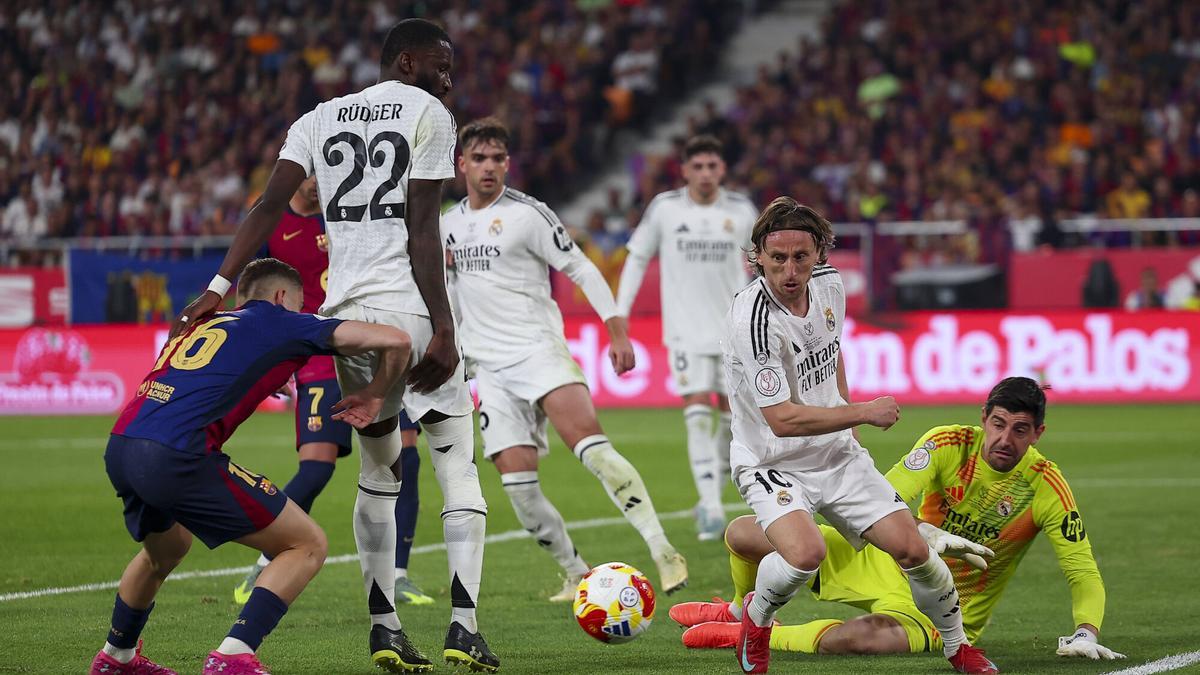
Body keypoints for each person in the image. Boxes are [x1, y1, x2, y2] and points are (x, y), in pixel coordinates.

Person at [173, 18, 498, 673]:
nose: (449, 78)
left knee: (378, 475)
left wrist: (216, 284)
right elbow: (423, 226)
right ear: (406, 61)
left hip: (348, 319)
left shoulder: (317, 117)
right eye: (442, 64)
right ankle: (463, 626)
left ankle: (385, 626)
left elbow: (265, 206)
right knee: (455, 460)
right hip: (408, 308)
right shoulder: (429, 112)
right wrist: (442, 324)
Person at [717, 197, 998, 674]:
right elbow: (782, 418)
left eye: (800, 257)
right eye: (777, 258)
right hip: (772, 460)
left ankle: (957, 647)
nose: (789, 269)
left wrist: (848, 421)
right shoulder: (754, 319)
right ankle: (757, 620)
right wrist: (862, 413)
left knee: (913, 549)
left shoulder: (830, 286)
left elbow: (831, 351)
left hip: (835, 453)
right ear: (758, 256)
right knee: (807, 554)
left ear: (819, 254)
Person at [91, 258, 412, 675]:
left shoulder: (212, 323)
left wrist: (268, 370)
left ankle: (117, 657)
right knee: (307, 544)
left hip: (123, 444)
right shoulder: (284, 321)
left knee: (166, 549)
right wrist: (374, 393)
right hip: (176, 455)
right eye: (298, 305)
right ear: (281, 298)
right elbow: (397, 341)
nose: (301, 314)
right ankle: (233, 653)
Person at [672, 377, 1126, 663]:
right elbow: (886, 496)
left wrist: (1086, 631)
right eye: (999, 423)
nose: (1004, 438)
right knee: (744, 533)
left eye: (1020, 430)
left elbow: (1081, 569)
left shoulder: (1046, 486)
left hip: (935, 612)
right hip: (883, 559)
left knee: (858, 642)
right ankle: (736, 606)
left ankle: (755, 632)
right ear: (984, 418)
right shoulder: (948, 444)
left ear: (1038, 433)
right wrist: (925, 531)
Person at [441, 117, 688, 601]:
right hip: (488, 370)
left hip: (538, 350)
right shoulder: (447, 225)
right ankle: (577, 571)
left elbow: (579, 266)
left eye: (497, 159)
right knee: (519, 489)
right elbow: (448, 290)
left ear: (507, 164)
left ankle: (662, 549)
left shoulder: (529, 215)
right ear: (462, 164)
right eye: (479, 159)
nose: (489, 167)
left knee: (595, 452)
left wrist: (617, 330)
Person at [232, 176, 433, 607]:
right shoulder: (272, 222)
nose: (321, 180)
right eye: (312, 170)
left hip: (370, 344)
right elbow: (252, 297)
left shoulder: (351, 214)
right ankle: (267, 559)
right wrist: (269, 360)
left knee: (407, 459)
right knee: (316, 469)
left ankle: (398, 574)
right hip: (316, 354)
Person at [614, 135, 758, 541]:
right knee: (696, 414)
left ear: (722, 170)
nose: (706, 174)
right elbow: (637, 258)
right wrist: (619, 316)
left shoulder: (741, 210)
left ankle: (713, 490)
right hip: (684, 331)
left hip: (735, 333)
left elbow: (763, 264)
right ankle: (711, 507)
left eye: (713, 166)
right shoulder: (665, 209)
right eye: (699, 167)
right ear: (685, 170)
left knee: (737, 422)